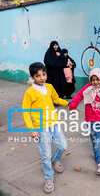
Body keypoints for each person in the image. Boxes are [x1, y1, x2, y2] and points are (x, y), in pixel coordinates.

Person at [22, 62, 69, 193]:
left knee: (63, 146)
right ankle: (49, 177)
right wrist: (31, 129)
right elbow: (26, 112)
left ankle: (55, 160)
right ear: (32, 77)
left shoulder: (49, 87)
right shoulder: (29, 92)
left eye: (44, 74)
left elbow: (56, 99)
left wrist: (68, 103)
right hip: (41, 128)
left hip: (54, 123)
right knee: (46, 154)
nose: (42, 78)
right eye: (38, 76)